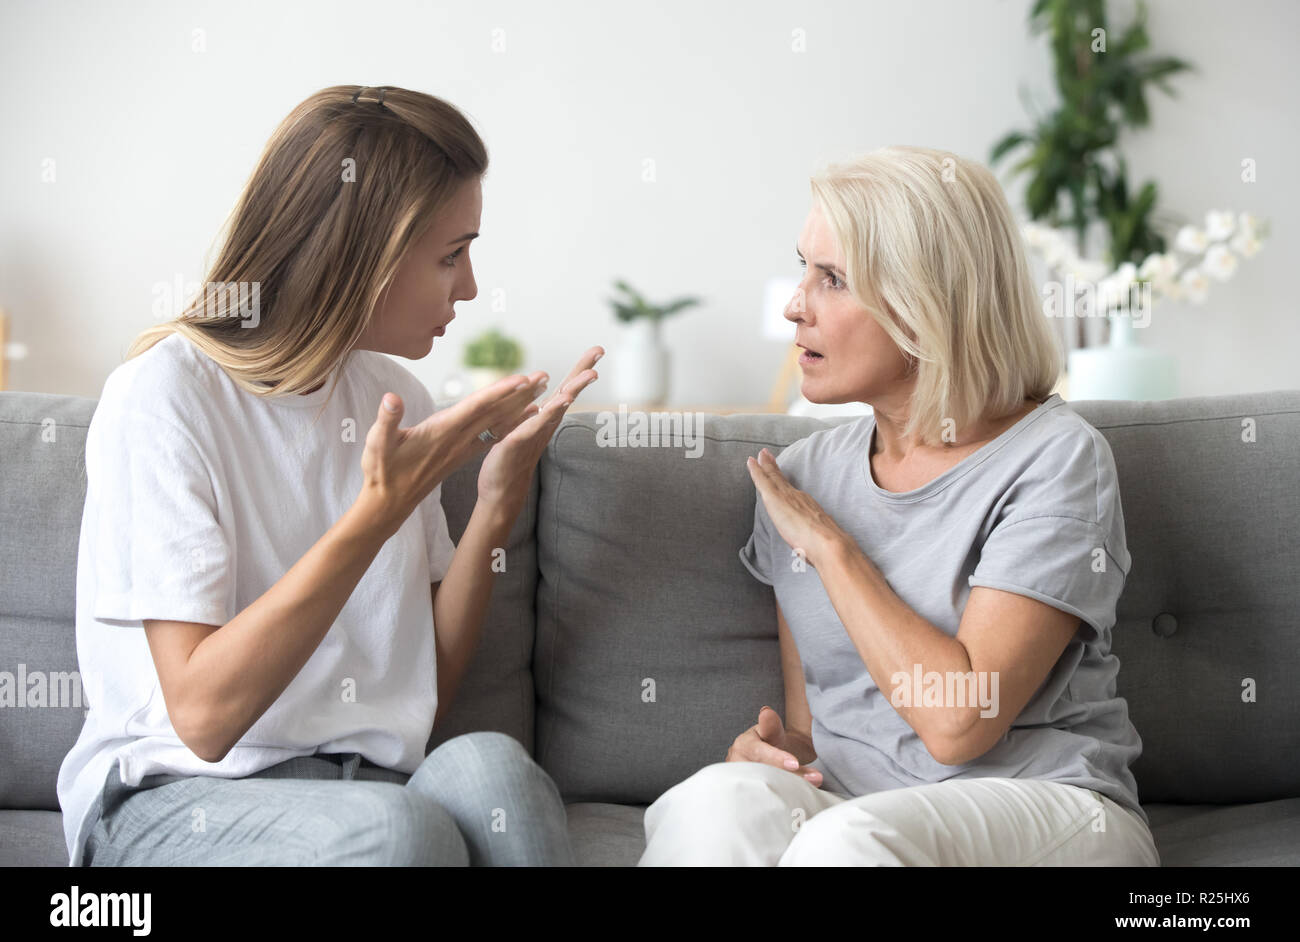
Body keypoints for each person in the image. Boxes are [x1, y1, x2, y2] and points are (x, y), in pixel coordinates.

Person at [57, 85, 600, 866]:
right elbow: (204, 718)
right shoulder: (165, 396)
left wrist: (495, 500)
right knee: (396, 831)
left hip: (361, 787)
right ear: (361, 255)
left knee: (495, 773)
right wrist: (374, 516)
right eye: (451, 254)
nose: (471, 288)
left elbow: (420, 701)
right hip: (174, 799)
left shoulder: (394, 401)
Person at [639, 146, 1160, 867]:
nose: (795, 304)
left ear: (925, 306)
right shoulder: (802, 476)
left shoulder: (1056, 459)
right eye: (804, 269)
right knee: (714, 800)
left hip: (1047, 806)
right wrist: (780, 757)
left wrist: (834, 550)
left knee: (846, 843)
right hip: (855, 809)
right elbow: (815, 727)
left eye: (833, 279)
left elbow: (957, 723)